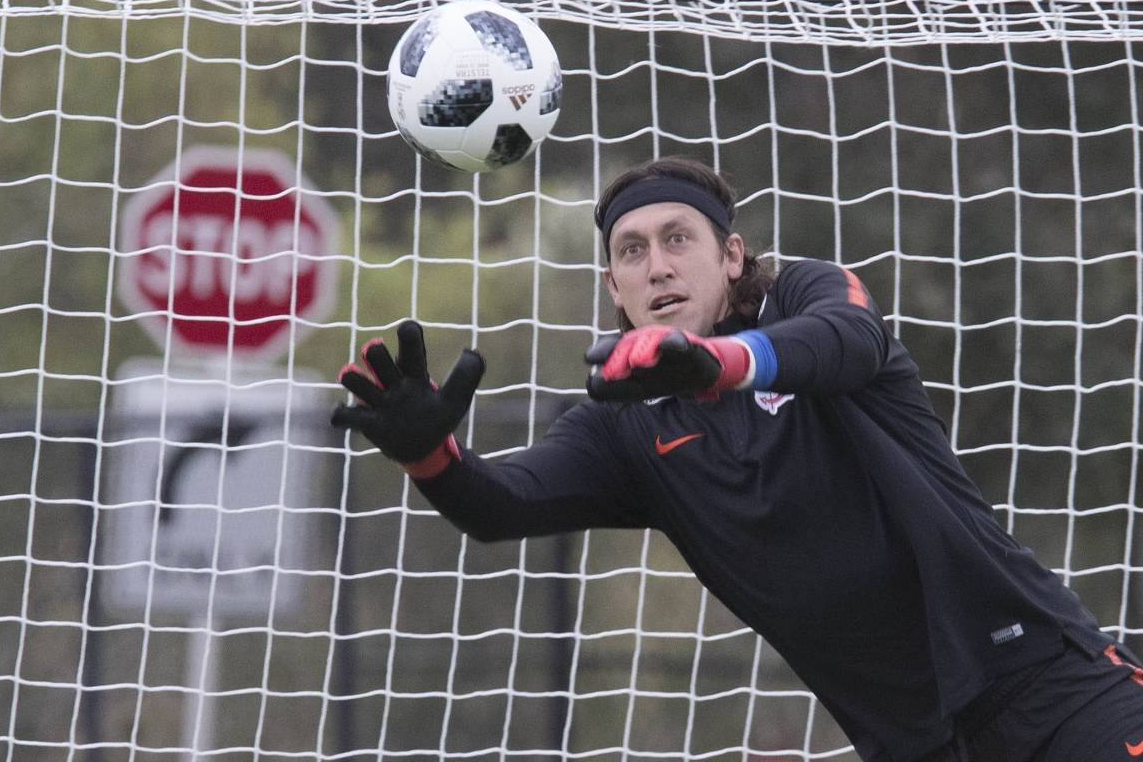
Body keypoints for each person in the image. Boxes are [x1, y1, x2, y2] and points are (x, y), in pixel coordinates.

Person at [331, 157, 1143, 762]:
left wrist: (714, 362)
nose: (656, 264)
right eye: (631, 251)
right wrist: (429, 453)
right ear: (615, 287)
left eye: (677, 238)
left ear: (730, 256)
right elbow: (499, 504)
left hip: (1052, 689)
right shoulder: (623, 427)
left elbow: (848, 338)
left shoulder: (808, 302)